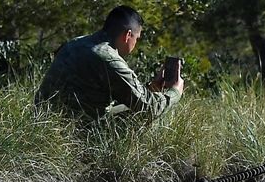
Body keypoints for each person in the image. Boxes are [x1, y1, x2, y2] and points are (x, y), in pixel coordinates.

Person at [36, 6, 183, 119]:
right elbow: (149, 108)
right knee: (155, 115)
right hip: (78, 133)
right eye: (136, 39)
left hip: (45, 121)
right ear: (128, 35)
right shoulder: (107, 58)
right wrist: (175, 92)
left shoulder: (76, 42)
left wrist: (151, 89)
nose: (135, 43)